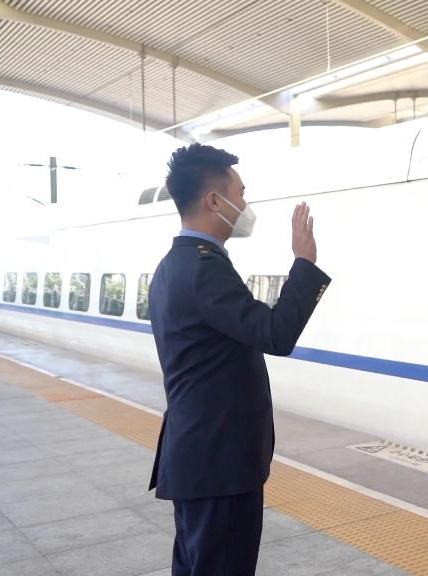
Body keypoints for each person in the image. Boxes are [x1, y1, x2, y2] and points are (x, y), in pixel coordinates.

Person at [147, 143, 331, 575]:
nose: (245, 205)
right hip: (219, 464)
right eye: (241, 193)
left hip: (200, 458)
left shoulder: (172, 265)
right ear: (215, 201)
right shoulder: (204, 268)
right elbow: (275, 334)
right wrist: (304, 264)